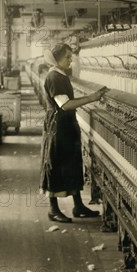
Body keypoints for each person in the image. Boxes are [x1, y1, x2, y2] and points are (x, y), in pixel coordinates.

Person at [40, 43, 109, 223]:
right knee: (55, 163)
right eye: (67, 58)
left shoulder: (62, 75)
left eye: (71, 57)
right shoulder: (54, 77)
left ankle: (78, 206)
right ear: (57, 60)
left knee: (72, 162)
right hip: (58, 127)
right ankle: (53, 209)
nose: (71, 61)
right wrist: (92, 98)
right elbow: (65, 104)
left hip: (67, 125)